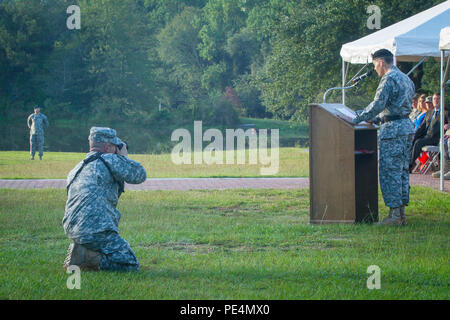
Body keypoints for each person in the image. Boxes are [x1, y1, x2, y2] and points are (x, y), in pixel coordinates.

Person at [63, 127, 147, 271]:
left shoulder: (78, 167)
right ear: (108, 147)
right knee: (130, 264)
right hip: (96, 228)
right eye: (116, 147)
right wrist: (123, 157)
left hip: (73, 228)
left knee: (103, 244)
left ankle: (83, 249)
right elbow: (139, 174)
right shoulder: (109, 159)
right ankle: (88, 257)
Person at [351, 49, 415, 226]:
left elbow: (378, 104)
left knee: (390, 171)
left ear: (380, 62)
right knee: (401, 171)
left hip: (393, 131)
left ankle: (394, 217)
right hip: (406, 127)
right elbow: (396, 107)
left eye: (375, 66)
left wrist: (357, 117)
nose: (376, 70)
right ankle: (400, 214)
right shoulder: (406, 78)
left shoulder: (389, 78)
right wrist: (378, 118)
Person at [410, 92, 448, 169]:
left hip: (436, 138)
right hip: (426, 136)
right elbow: (422, 126)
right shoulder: (430, 112)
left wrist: (447, 126)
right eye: (434, 99)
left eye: (438, 99)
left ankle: (409, 165)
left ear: (442, 100)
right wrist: (414, 135)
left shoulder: (446, 112)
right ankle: (409, 163)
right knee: (413, 139)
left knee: (418, 142)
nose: (436, 101)